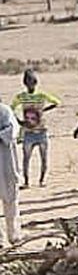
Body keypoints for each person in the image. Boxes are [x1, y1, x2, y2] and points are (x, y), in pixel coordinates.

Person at [10, 69, 61, 188]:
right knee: (26, 159)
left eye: (32, 81)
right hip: (28, 132)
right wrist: (20, 122)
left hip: (42, 131)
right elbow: (11, 109)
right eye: (28, 81)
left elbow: (57, 102)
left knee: (44, 158)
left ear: (35, 82)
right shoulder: (21, 97)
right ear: (24, 83)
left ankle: (42, 180)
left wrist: (43, 110)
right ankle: (27, 182)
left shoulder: (41, 95)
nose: (30, 84)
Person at [0, 98, 22, 246]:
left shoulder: (5, 111)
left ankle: (13, 234)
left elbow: (12, 130)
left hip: (5, 160)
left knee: (10, 199)